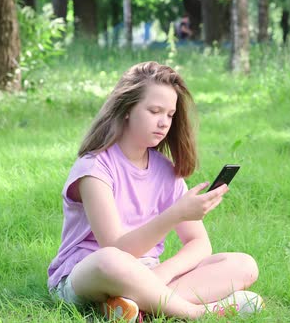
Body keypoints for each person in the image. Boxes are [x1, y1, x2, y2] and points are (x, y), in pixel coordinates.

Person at [47, 61, 263, 321]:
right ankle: (197, 313)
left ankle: (133, 306)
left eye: (170, 115)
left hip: (147, 273)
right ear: (127, 109)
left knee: (243, 265)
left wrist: (162, 274)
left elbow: (198, 243)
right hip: (89, 273)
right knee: (110, 260)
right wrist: (175, 214)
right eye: (154, 111)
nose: (164, 123)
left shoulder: (165, 170)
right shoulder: (94, 168)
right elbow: (117, 249)